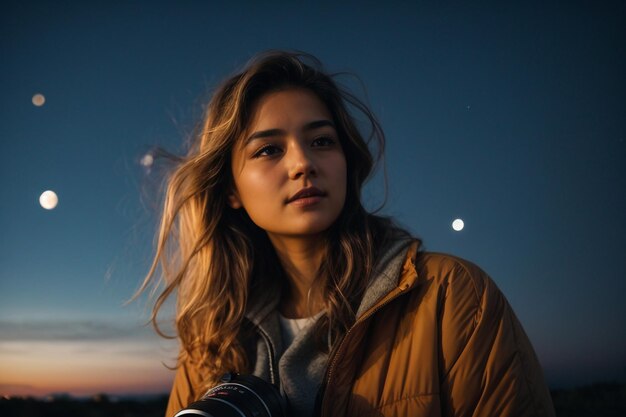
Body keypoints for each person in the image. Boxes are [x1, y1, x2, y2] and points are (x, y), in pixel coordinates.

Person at [138, 50, 555, 417]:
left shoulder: (451, 297)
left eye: (321, 140)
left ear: (346, 163)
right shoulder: (212, 339)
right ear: (231, 189)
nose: (302, 163)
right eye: (269, 149)